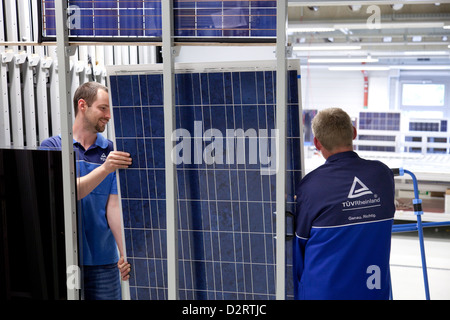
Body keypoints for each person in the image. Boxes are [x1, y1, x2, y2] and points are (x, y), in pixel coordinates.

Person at [41, 82, 132, 300]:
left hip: (104, 262)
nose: (108, 115)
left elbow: (114, 206)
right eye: (103, 108)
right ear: (83, 105)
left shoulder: (111, 151)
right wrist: (105, 168)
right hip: (64, 260)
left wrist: (124, 252)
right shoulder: (53, 148)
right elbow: (67, 193)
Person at [293, 108, 395, 300]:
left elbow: (299, 247)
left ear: (316, 143)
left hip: (323, 292)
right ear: (354, 132)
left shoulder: (311, 185)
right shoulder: (383, 175)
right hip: (373, 291)